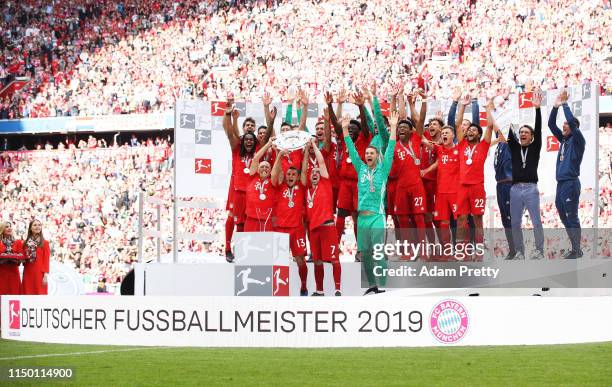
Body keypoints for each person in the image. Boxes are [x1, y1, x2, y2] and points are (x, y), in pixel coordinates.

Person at [342, 110, 397, 294]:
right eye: (366, 153)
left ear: (377, 155)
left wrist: (394, 127)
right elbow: (351, 150)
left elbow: (390, 148)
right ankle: (372, 284)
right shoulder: (361, 169)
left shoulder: (383, 168)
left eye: (372, 153)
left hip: (377, 217)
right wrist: (344, 131)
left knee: (378, 251)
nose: (368, 155)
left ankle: (383, 284)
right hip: (362, 218)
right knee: (364, 253)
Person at [505, 90, 544, 260]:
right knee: (515, 223)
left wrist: (537, 109)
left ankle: (539, 251)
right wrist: (507, 105)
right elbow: (507, 130)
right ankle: (520, 251)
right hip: (514, 189)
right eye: (520, 132)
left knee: (536, 221)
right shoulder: (514, 148)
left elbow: (540, 129)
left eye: (526, 132)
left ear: (532, 137)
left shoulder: (535, 148)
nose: (522, 134)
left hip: (530, 188)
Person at [455, 91, 493, 261]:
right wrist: (462, 105)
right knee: (461, 219)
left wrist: (488, 109)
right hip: (462, 187)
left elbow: (490, 126)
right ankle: (462, 252)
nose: (469, 131)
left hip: (477, 186)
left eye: (473, 130)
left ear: (478, 134)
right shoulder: (462, 145)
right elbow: (457, 124)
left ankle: (479, 252)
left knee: (477, 219)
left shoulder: (484, 145)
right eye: (468, 130)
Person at [548, 90, 586, 259]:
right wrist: (555, 106)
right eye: (563, 124)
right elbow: (550, 124)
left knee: (572, 217)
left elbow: (571, 120)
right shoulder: (563, 140)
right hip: (561, 183)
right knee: (564, 216)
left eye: (567, 124)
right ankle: (575, 248)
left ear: (575, 128)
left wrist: (564, 103)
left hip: (571, 182)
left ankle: (577, 250)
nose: (564, 125)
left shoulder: (578, 140)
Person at [301, 139, 341, 296]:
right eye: (313, 173)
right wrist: (305, 152)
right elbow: (304, 171)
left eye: (318, 172)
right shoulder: (307, 190)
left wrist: (315, 146)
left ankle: (338, 289)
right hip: (313, 229)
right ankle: (320, 290)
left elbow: (322, 163)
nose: (316, 174)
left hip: (327, 227)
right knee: (317, 260)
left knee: (333, 259)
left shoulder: (326, 184)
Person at [271, 148, 308, 296]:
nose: (291, 176)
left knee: (300, 259)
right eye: (289, 174)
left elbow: (304, 169)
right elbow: (275, 174)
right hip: (280, 229)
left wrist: (305, 153)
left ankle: (303, 286)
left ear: (298, 177)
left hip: (297, 229)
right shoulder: (280, 185)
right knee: (279, 260)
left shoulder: (302, 186)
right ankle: (279, 291)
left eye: (294, 174)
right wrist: (279, 155)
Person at [245, 137, 277, 232]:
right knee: (250, 246)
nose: (264, 168)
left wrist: (276, 151)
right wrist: (268, 144)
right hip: (251, 220)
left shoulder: (273, 181)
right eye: (262, 166)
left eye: (267, 167)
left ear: (271, 171)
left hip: (267, 221)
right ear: (257, 170)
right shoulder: (252, 178)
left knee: (267, 246)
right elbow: (255, 159)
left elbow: (277, 166)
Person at [22, 219, 51, 295]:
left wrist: (45, 275)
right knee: (27, 293)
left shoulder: (45, 243)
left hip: (39, 273)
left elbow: (46, 260)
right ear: (30, 228)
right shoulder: (25, 243)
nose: (37, 227)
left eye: (39, 225)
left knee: (40, 294)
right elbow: (23, 258)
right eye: (35, 225)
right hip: (28, 272)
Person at [0, 221, 23, 295]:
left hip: (14, 271)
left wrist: (14, 257)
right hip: (1, 272)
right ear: (2, 229)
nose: (9, 228)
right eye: (6, 227)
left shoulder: (18, 242)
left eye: (10, 226)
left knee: (14, 295)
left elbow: (21, 256)